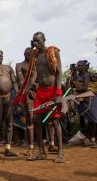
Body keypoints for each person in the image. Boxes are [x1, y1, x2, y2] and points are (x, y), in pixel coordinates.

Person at [28, 31, 64, 163]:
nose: (36, 43)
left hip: (53, 90)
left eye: (38, 41)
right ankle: (41, 152)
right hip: (41, 91)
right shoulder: (36, 55)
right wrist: (32, 87)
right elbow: (39, 74)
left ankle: (60, 152)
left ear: (44, 39)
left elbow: (59, 72)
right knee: (36, 120)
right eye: (34, 41)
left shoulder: (53, 52)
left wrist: (58, 93)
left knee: (55, 121)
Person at [15, 47, 37, 157]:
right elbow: (21, 81)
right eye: (28, 54)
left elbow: (39, 79)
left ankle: (49, 143)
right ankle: (30, 147)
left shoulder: (36, 65)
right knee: (30, 120)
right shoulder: (19, 65)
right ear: (24, 54)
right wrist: (28, 91)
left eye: (32, 55)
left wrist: (36, 88)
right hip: (27, 95)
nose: (30, 56)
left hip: (38, 94)